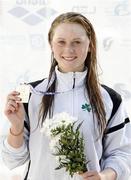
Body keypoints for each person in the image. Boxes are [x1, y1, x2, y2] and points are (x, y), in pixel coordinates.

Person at [2, 12, 131, 180]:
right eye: (61, 42)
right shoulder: (29, 94)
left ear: (90, 44)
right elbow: (12, 160)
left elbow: (122, 153)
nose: (68, 50)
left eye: (77, 42)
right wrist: (16, 127)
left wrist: (104, 176)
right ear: (51, 44)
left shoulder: (110, 99)